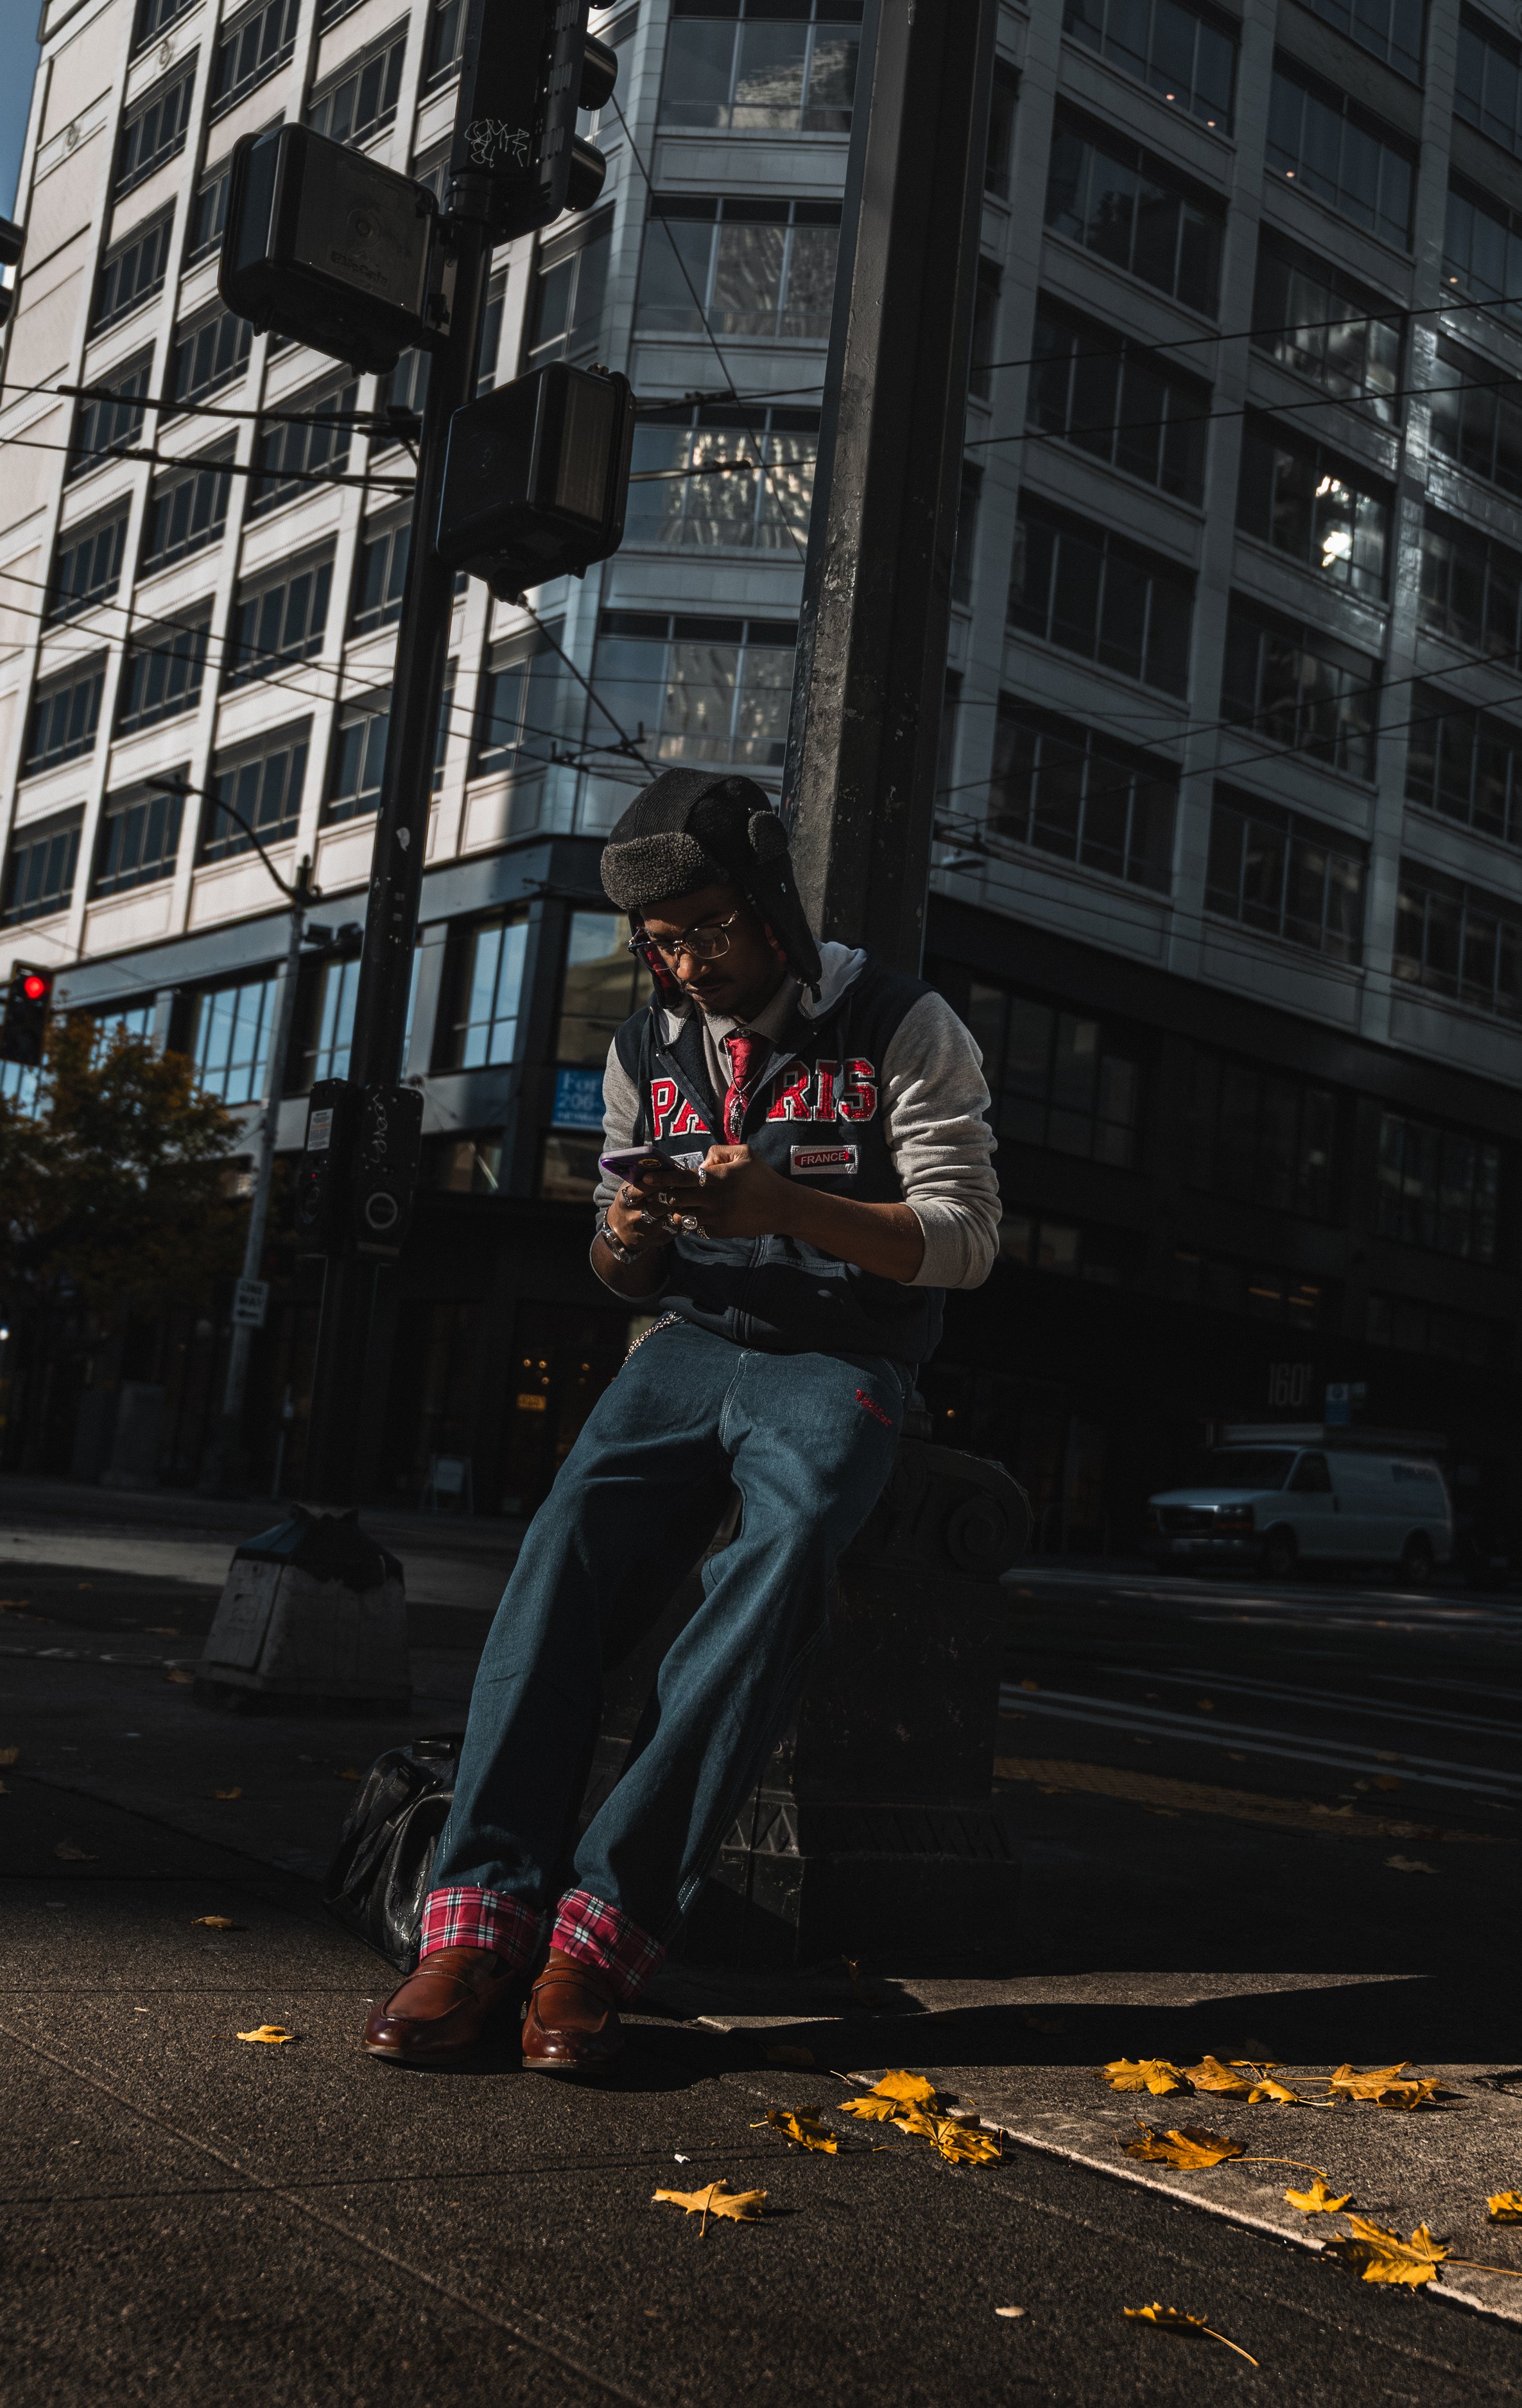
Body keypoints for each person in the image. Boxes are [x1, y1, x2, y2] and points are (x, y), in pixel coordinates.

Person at [364, 767, 1001, 2073]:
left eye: (707, 929)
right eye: (660, 942)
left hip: (841, 1358)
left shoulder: (899, 1023)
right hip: (689, 1344)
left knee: (777, 1562)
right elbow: (617, 1277)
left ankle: (598, 1940)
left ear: (770, 908)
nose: (685, 963)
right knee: (562, 1549)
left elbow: (967, 1242)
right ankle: (477, 1923)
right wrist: (626, 1235)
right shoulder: (642, 1044)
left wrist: (791, 1211)